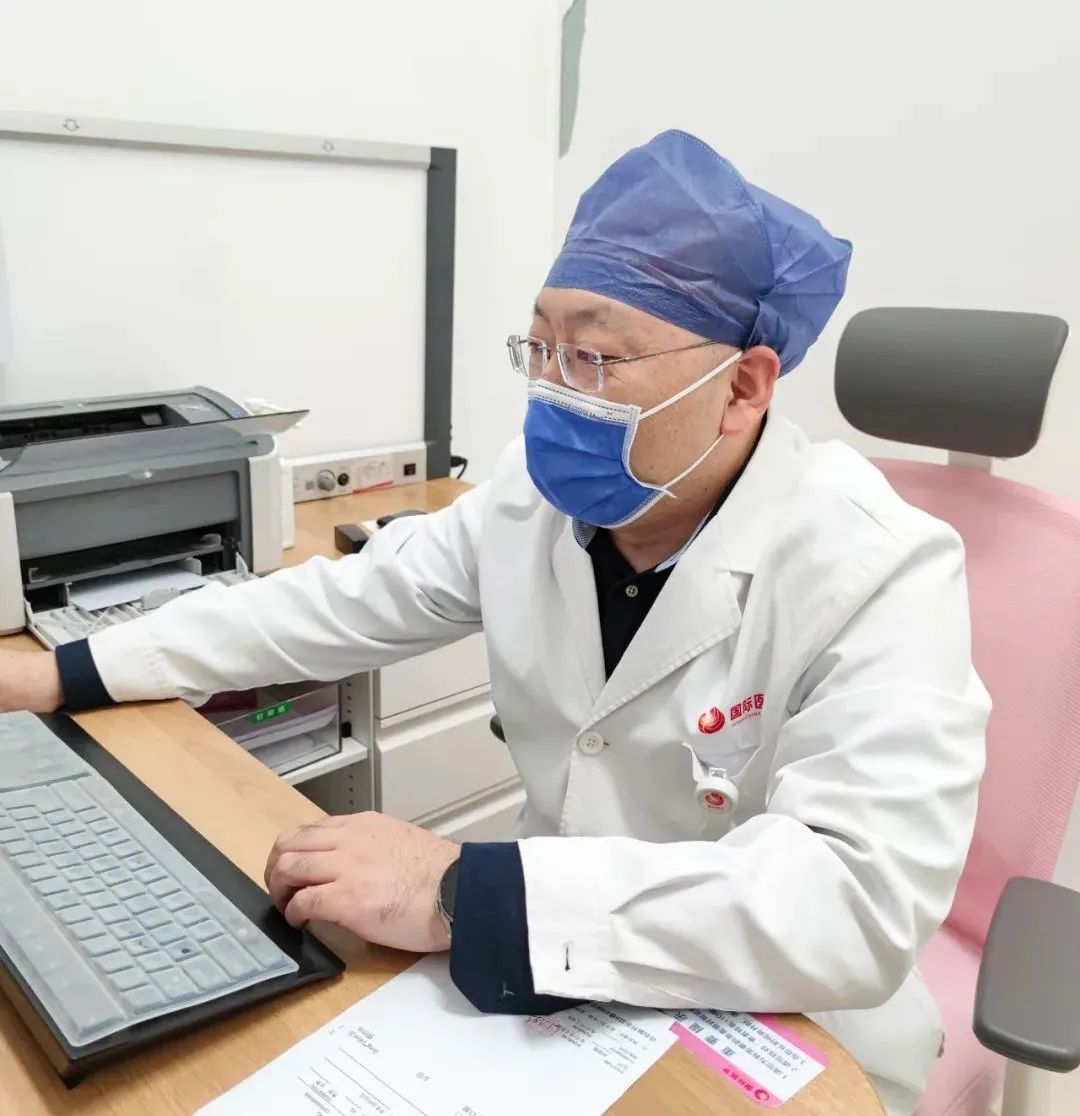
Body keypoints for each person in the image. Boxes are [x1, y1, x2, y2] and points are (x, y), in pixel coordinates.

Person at [0, 130, 988, 1116]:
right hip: (553, 990)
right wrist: (69, 671)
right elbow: (341, 602)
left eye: (595, 357)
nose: (554, 391)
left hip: (786, 1027)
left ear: (743, 387)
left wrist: (457, 893)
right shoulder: (532, 503)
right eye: (541, 349)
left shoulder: (879, 567)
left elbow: (850, 905)